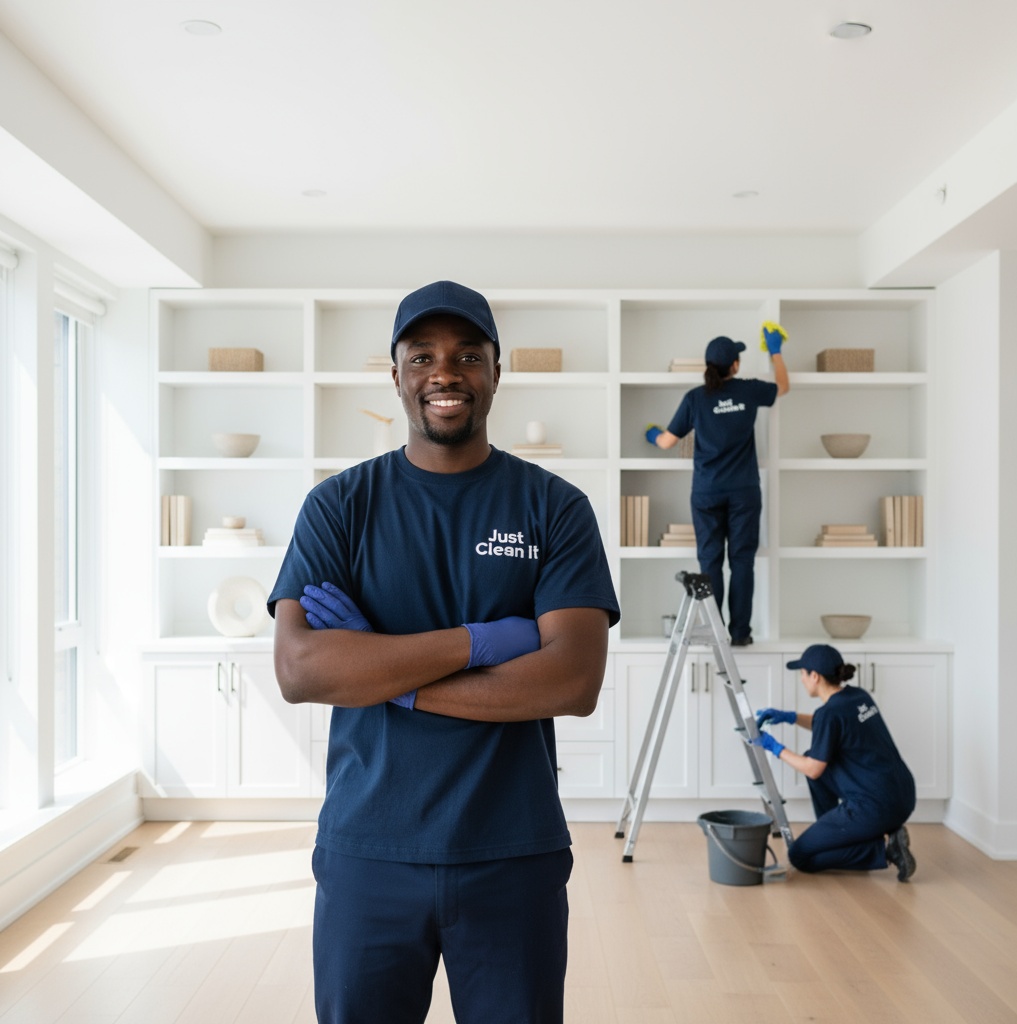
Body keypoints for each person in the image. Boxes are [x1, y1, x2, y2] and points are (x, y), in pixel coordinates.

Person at [269, 279, 620, 1024]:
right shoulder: (339, 507)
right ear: (394, 374)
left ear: (497, 370)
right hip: (369, 853)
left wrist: (381, 673)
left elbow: (571, 680)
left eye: (467, 354)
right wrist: (484, 642)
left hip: (511, 854)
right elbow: (301, 670)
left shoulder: (553, 507)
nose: (445, 372)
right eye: (422, 354)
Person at [644, 327, 789, 645]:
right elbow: (783, 386)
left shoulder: (695, 398)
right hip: (744, 492)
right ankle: (740, 634)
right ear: (735, 365)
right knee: (741, 562)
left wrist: (652, 433)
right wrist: (775, 351)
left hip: (707, 492)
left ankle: (716, 632)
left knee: (710, 563)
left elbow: (668, 442)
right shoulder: (748, 391)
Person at [751, 643, 917, 881]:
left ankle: (885, 851)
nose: (801, 679)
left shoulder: (830, 713)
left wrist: (774, 747)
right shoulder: (858, 696)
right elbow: (831, 725)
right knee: (815, 754)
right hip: (902, 795)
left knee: (800, 856)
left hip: (873, 806)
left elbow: (813, 769)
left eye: (802, 673)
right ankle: (843, 834)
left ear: (815, 676)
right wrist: (790, 717)